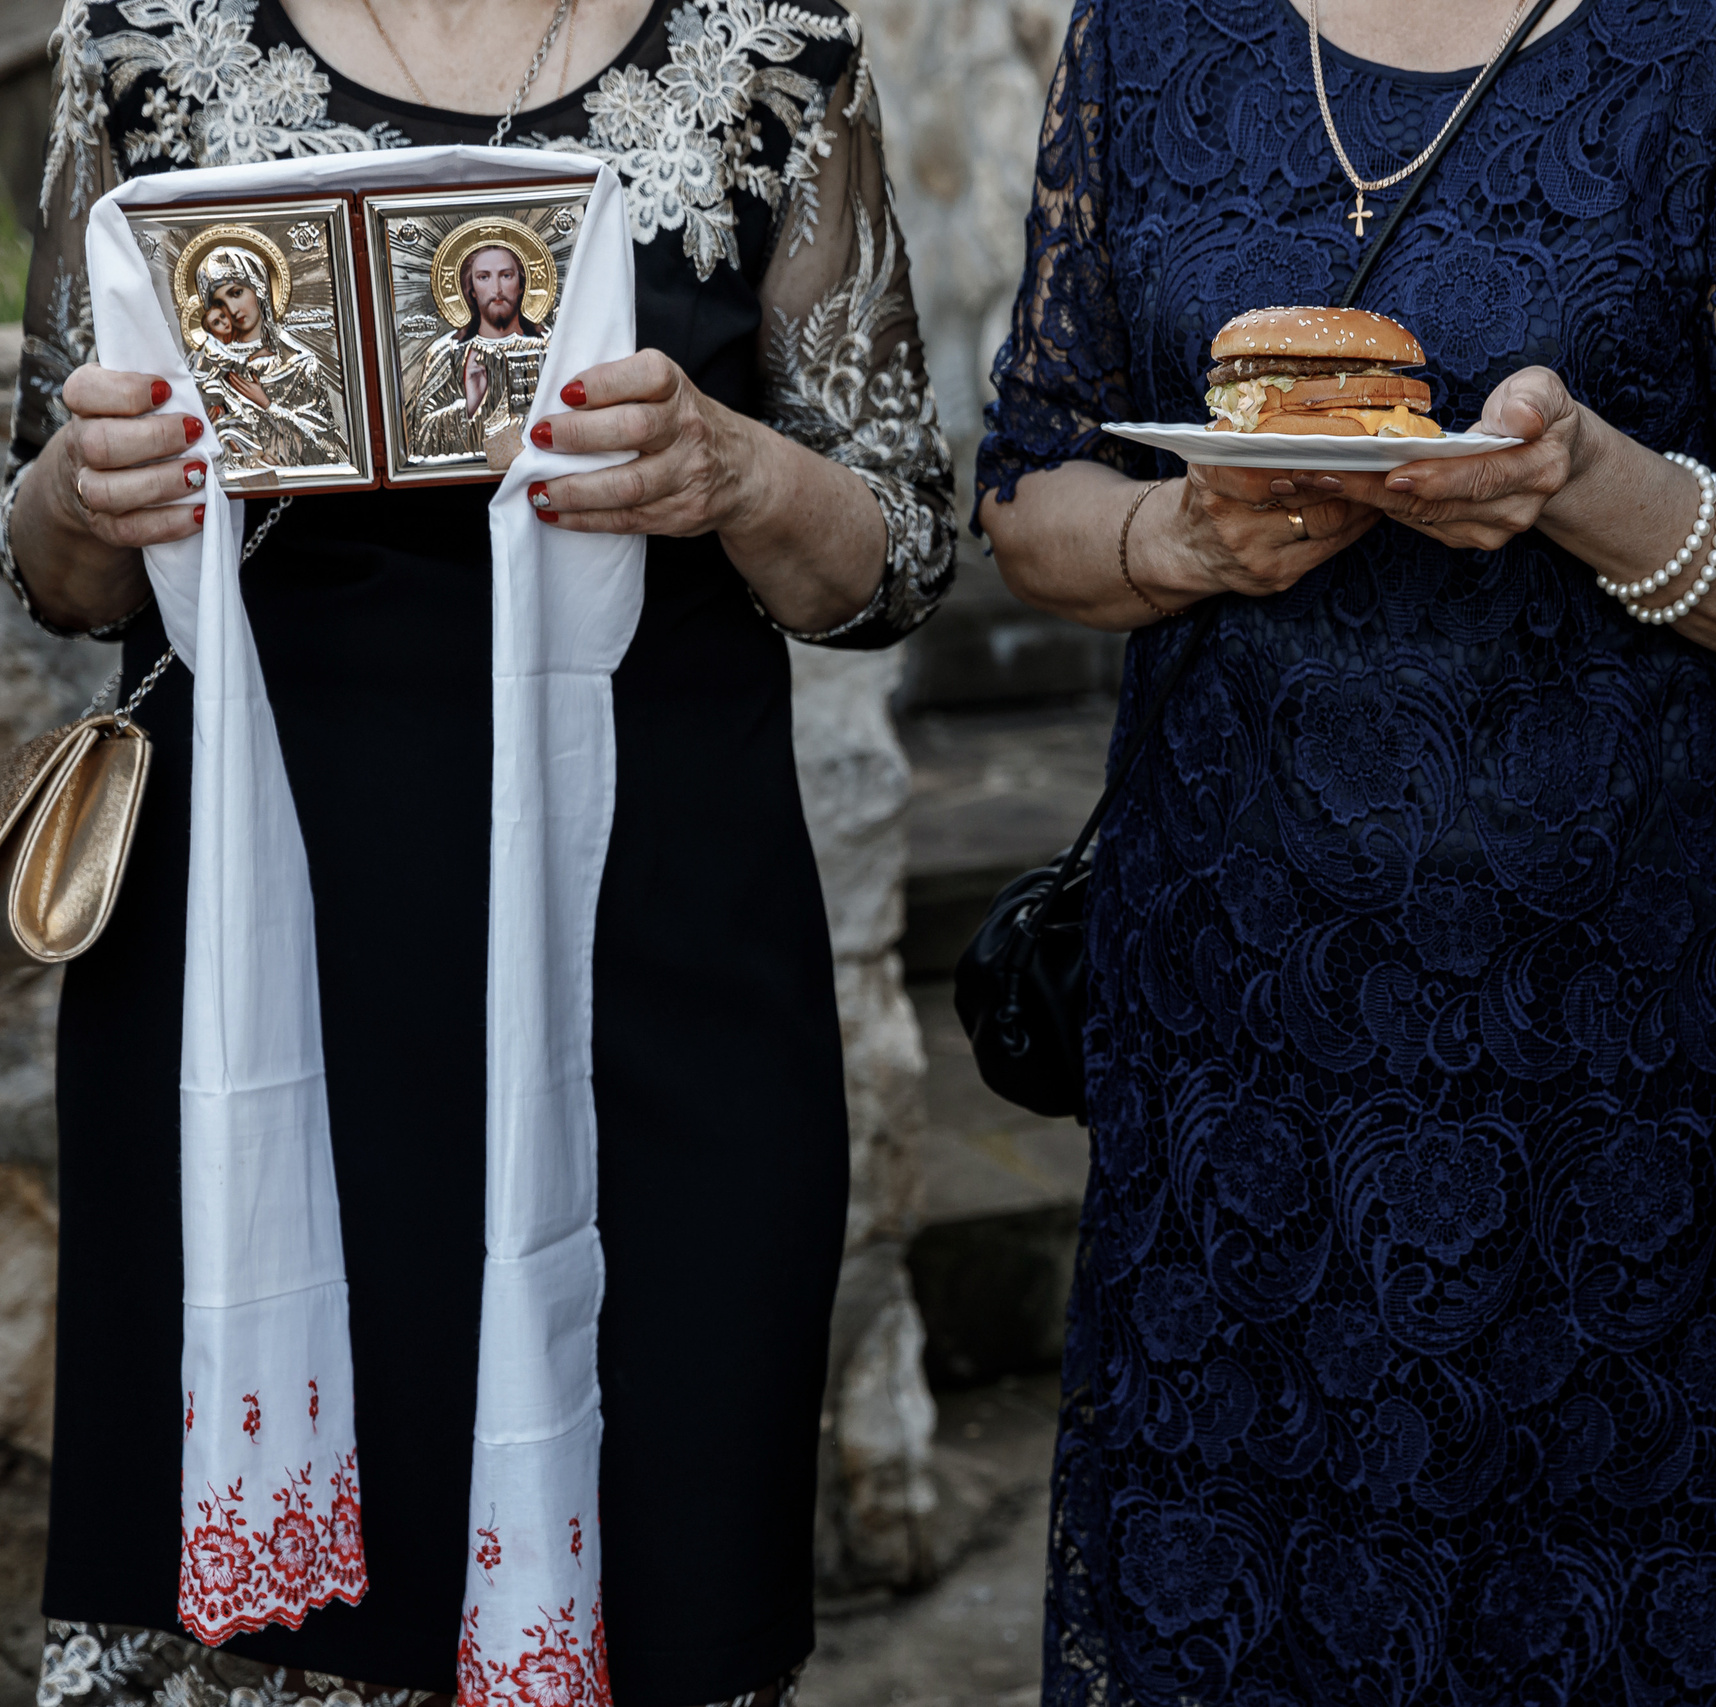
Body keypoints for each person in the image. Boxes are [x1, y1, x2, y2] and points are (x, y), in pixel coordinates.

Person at [6, 0, 952, 1701]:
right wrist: (88, 489)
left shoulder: (773, 56)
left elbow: (893, 557)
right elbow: (56, 559)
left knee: (664, 1550)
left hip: (650, 951)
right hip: (254, 957)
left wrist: (730, 465)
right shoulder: (144, 40)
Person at [976, 0, 1716, 1695]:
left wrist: (1587, 483)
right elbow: (1029, 486)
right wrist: (1176, 531)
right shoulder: (1150, 40)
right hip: (1231, 1064)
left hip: (1608, 1080)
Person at [185, 243, 349, 474]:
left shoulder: (300, 364)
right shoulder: (207, 364)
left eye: (236, 293)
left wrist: (268, 405)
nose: (231, 309)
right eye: (219, 304)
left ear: (259, 288)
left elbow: (326, 454)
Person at [409, 235, 551, 458]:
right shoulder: (447, 353)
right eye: (484, 277)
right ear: (471, 289)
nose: (497, 289)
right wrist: (468, 406)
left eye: (506, 275)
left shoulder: (548, 348)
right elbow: (420, 438)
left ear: (521, 284)